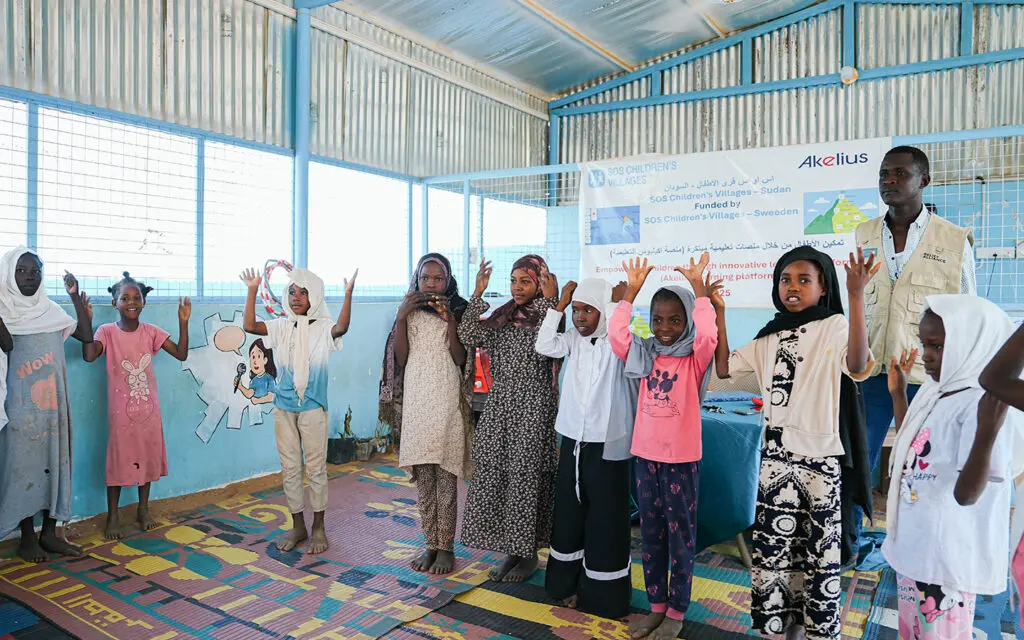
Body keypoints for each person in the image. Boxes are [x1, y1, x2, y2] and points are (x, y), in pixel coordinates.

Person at [714, 246, 876, 640]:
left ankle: (810, 629)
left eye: (805, 280)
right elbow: (724, 369)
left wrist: (856, 297)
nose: (793, 287)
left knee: (818, 554)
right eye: (786, 279)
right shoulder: (768, 335)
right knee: (776, 553)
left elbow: (857, 366)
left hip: (820, 461)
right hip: (776, 461)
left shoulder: (834, 325)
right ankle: (783, 628)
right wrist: (718, 313)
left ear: (823, 288)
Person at [853, 146, 977, 559]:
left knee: (926, 463)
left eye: (900, 174)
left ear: (923, 180)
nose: (889, 181)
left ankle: (927, 546)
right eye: (884, 174)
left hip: (927, 376)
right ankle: (850, 542)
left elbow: (969, 310)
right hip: (872, 370)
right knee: (857, 459)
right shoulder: (864, 233)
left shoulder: (953, 240)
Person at [882, 296, 1019, 639]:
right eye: (925, 344)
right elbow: (916, 446)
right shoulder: (938, 390)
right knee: (914, 632)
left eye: (939, 346)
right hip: (916, 545)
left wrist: (986, 432)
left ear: (973, 342)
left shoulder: (981, 403)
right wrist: (899, 396)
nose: (926, 355)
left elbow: (967, 495)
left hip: (945, 559)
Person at [609, 253, 718, 640]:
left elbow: (708, 336)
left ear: (687, 320)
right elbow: (617, 335)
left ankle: (676, 611)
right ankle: (656, 606)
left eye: (675, 320)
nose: (665, 328)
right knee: (651, 536)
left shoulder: (694, 358)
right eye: (658, 320)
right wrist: (631, 294)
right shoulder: (645, 352)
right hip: (645, 457)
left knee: (680, 538)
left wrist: (699, 289)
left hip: (681, 461)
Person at [535, 276, 635, 619]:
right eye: (577, 310)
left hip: (606, 445)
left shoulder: (617, 343)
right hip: (573, 441)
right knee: (569, 516)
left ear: (604, 311)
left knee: (605, 520)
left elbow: (621, 335)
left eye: (588, 310)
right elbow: (544, 345)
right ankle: (565, 585)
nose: (580, 317)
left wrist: (615, 305)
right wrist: (560, 306)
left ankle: (603, 597)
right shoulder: (573, 341)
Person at [240, 266, 356, 555]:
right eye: (292, 292)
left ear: (314, 296)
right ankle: (298, 526)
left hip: (313, 408)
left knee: (316, 468)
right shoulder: (281, 325)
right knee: (290, 468)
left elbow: (341, 328)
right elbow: (250, 326)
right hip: (283, 408)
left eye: (303, 293)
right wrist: (252, 289)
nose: (296, 297)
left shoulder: (324, 327)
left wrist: (348, 295)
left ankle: (318, 527)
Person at [457, 255, 559, 584]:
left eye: (526, 281)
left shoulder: (550, 315)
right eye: (514, 281)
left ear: (540, 283)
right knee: (498, 478)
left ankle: (528, 556)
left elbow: (551, 343)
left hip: (533, 407)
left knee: (525, 481)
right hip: (500, 406)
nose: (517, 287)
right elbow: (467, 334)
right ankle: (511, 552)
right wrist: (477, 293)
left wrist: (552, 300)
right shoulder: (503, 317)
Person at [379, 253, 473, 576]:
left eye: (438, 278)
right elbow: (401, 357)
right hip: (418, 401)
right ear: (416, 280)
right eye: (425, 278)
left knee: (445, 476)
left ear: (448, 281)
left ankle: (446, 548)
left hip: (446, 399)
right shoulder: (409, 311)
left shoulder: (458, 309)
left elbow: (460, 359)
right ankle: (431, 543)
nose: (431, 284)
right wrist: (401, 317)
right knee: (424, 480)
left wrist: (450, 321)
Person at [0, 247, 93, 562]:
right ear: (8, 274)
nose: (30, 277)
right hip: (20, 408)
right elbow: (7, 344)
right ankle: (27, 537)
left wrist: (75, 296)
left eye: (36, 271)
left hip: (54, 406)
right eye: (21, 271)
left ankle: (50, 534)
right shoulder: (5, 311)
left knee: (56, 463)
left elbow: (86, 335)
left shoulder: (50, 311)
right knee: (22, 467)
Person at [83, 272, 191, 540]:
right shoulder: (106, 332)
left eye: (136, 297)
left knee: (147, 456)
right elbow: (89, 355)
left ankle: (143, 509)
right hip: (120, 414)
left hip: (149, 411)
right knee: (118, 460)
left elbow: (181, 353)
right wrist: (86, 321)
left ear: (144, 302)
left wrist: (183, 322)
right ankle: (113, 516)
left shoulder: (151, 331)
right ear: (114, 303)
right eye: (125, 298)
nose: (131, 302)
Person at [237, 339, 277, 405]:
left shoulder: (269, 379)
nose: (255, 361)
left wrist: (258, 401)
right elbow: (249, 394)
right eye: (253, 357)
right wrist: (240, 387)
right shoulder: (254, 381)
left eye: (258, 356)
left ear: (265, 360)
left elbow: (271, 397)